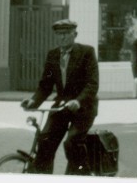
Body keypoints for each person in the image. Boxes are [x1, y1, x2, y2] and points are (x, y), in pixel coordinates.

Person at [21, 19, 99, 175]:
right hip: (62, 106)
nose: (62, 38)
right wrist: (33, 101)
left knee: (72, 141)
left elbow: (92, 83)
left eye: (65, 34)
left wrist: (78, 100)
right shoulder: (53, 55)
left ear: (74, 34)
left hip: (83, 106)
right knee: (45, 140)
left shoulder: (87, 52)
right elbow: (46, 85)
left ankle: (80, 175)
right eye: (58, 34)